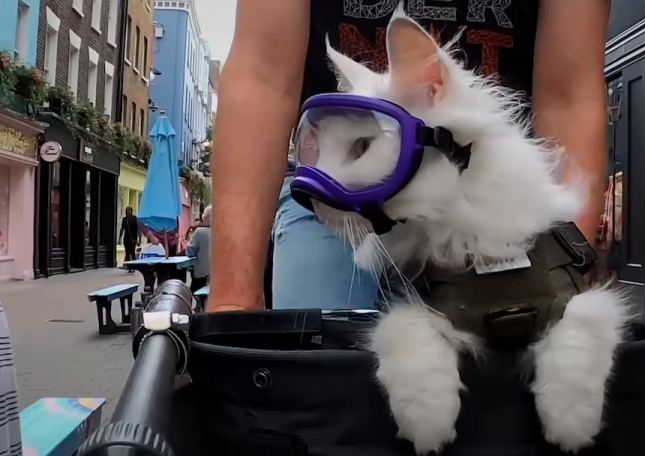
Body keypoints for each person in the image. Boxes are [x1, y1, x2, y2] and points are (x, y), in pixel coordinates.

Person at [210, 0, 609, 313]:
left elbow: (568, 97)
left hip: (491, 198)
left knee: (502, 396)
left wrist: (566, 269)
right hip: (335, 200)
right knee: (322, 386)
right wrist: (233, 299)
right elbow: (263, 75)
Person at [186, 206, 212, 293]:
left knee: (193, 291)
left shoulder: (199, 232)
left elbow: (189, 252)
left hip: (202, 275)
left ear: (205, 218)